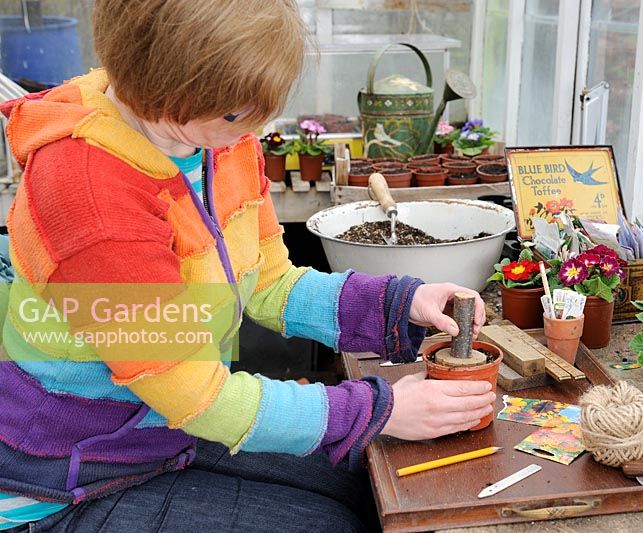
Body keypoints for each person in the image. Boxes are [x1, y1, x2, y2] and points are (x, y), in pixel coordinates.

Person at [0, 1, 495, 531]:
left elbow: (269, 284)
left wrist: (396, 303)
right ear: (169, 91)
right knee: (328, 524)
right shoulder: (91, 197)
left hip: (159, 427)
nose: (250, 131)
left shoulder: (214, 136)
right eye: (236, 114)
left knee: (364, 484)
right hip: (65, 478)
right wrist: (381, 410)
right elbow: (199, 396)